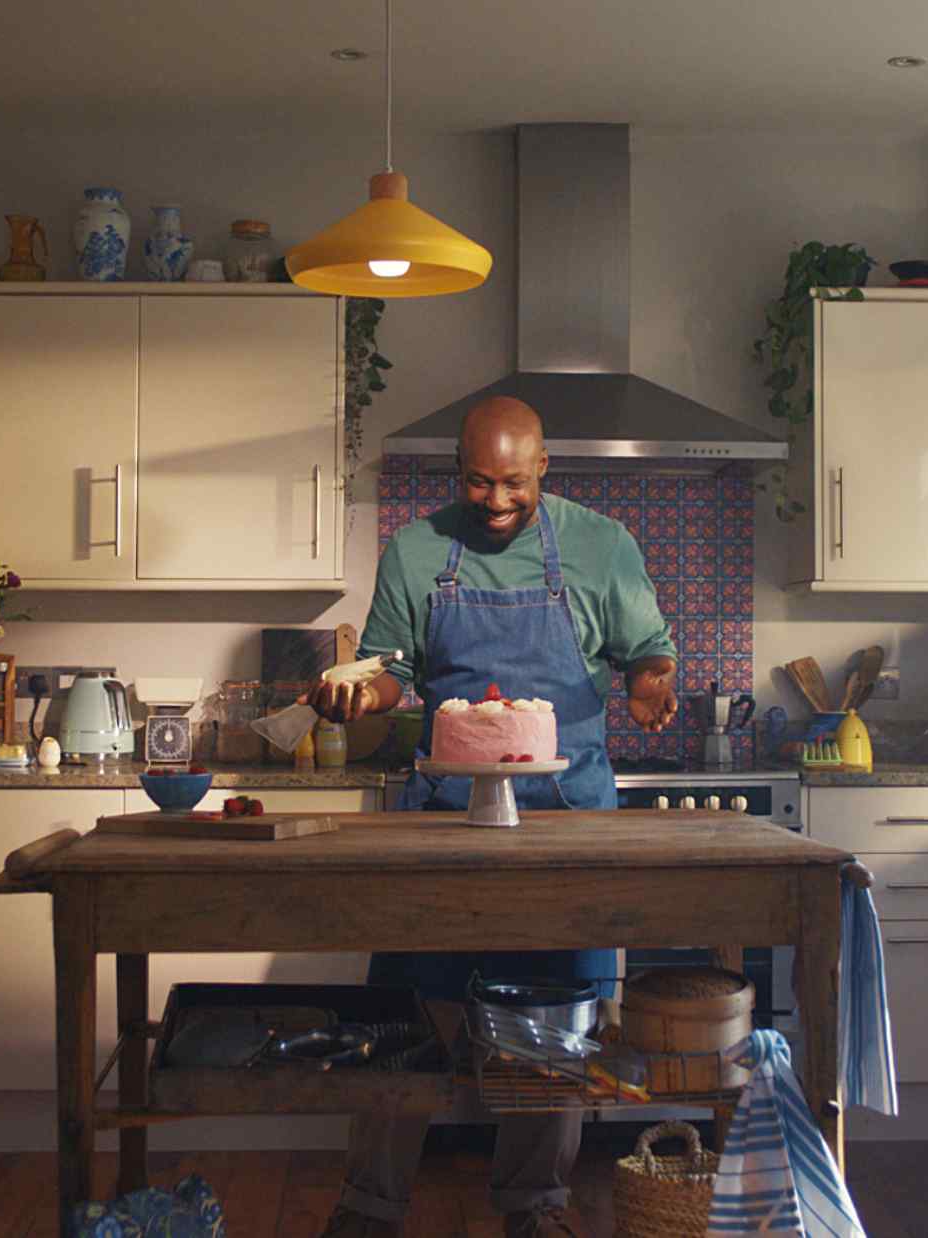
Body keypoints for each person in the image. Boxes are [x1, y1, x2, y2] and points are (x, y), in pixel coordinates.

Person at [305, 396, 679, 1238]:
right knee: (404, 1019)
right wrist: (360, 694)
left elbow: (648, 649)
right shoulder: (416, 548)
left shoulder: (601, 545)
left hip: (568, 828)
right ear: (457, 472)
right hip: (442, 822)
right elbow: (390, 669)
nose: (497, 500)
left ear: (545, 467)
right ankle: (369, 1207)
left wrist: (651, 682)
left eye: (514, 482)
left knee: (554, 1033)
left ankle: (537, 1208)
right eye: (478, 482)